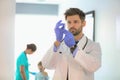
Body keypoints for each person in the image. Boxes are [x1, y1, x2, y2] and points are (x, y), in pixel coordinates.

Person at [41, 8, 101, 80]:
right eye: (69, 22)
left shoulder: (94, 46)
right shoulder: (60, 44)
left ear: (83, 23)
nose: (72, 25)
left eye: (75, 22)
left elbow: (94, 66)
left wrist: (74, 48)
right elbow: (46, 64)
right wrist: (57, 42)